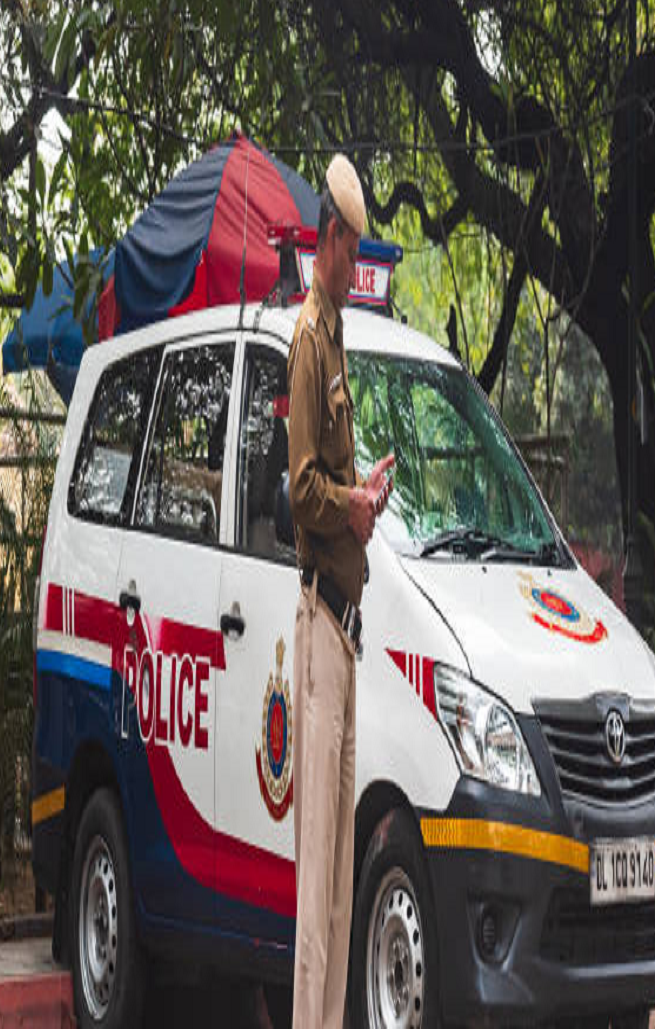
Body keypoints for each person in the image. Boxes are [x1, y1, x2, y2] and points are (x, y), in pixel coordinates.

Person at [288, 154, 394, 1029]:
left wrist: (367, 495)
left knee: (341, 880)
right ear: (328, 240)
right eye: (351, 250)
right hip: (319, 618)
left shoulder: (341, 336)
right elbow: (299, 488)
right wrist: (349, 504)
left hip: (348, 625)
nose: (357, 270)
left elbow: (336, 482)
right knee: (314, 874)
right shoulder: (307, 339)